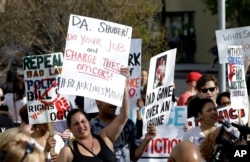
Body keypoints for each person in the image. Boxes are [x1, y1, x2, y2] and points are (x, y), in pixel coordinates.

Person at [57, 67, 130, 162]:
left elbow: (124, 115)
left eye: (83, 121)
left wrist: (123, 84)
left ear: (89, 122)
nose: (81, 126)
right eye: (76, 124)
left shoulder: (105, 137)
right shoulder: (67, 152)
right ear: (70, 129)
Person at [91, 83, 156, 162]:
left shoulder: (128, 124)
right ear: (98, 101)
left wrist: (146, 140)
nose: (113, 103)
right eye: (108, 99)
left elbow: (134, 157)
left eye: (115, 98)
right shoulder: (90, 128)